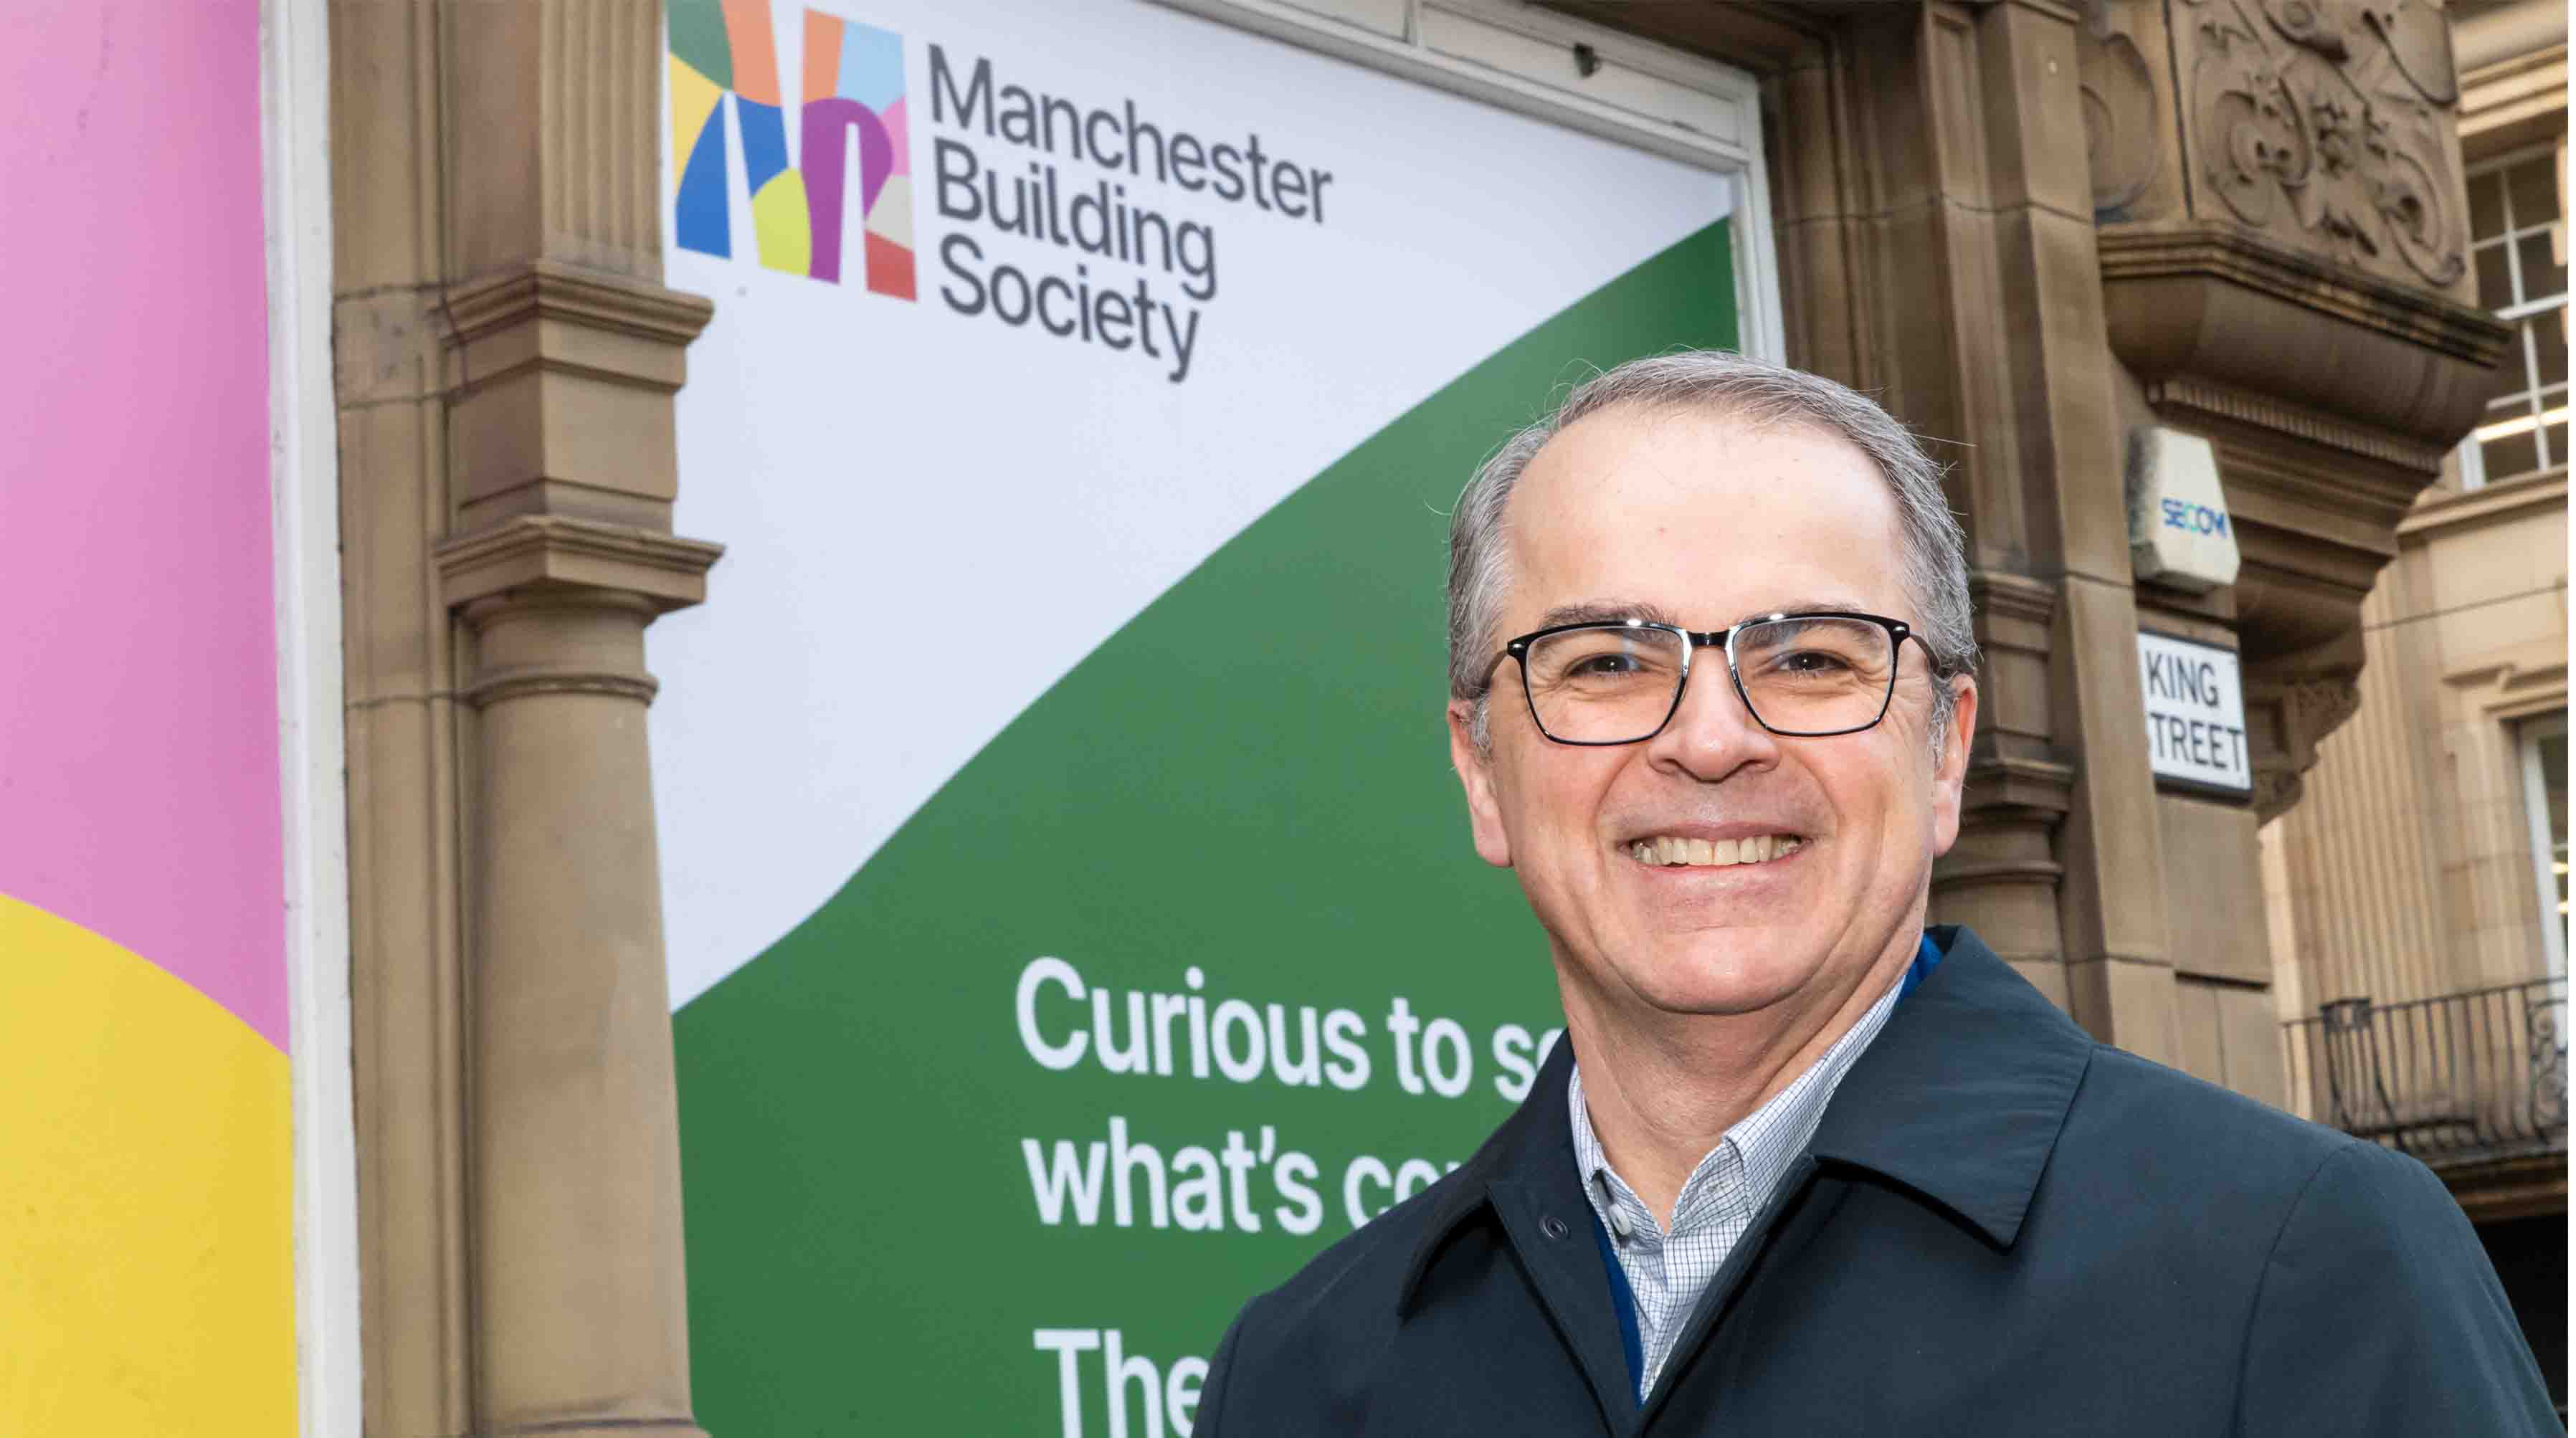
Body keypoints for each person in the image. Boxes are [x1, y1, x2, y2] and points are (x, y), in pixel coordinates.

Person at [1192, 353, 2557, 1434]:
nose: (1710, 737)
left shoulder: (2303, 1269)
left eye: (1812, 659)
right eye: (1604, 662)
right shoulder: (1306, 1373)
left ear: (1945, 746)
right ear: (1482, 771)